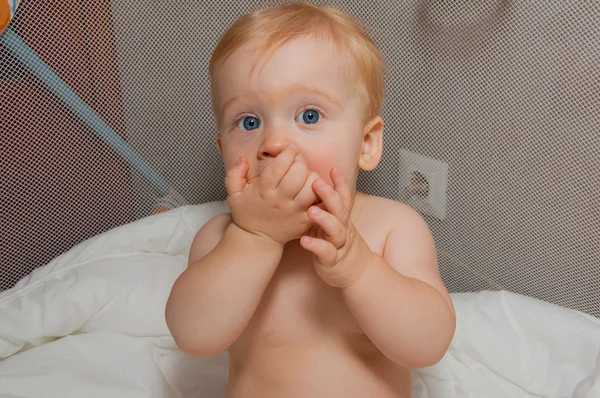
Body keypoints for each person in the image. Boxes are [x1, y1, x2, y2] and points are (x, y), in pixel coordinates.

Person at [165, 2, 456, 397]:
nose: (274, 143)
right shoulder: (220, 239)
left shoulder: (392, 228)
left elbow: (427, 345)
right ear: (223, 150)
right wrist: (253, 240)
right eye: (249, 122)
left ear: (366, 144)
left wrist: (360, 269)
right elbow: (193, 336)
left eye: (310, 116)